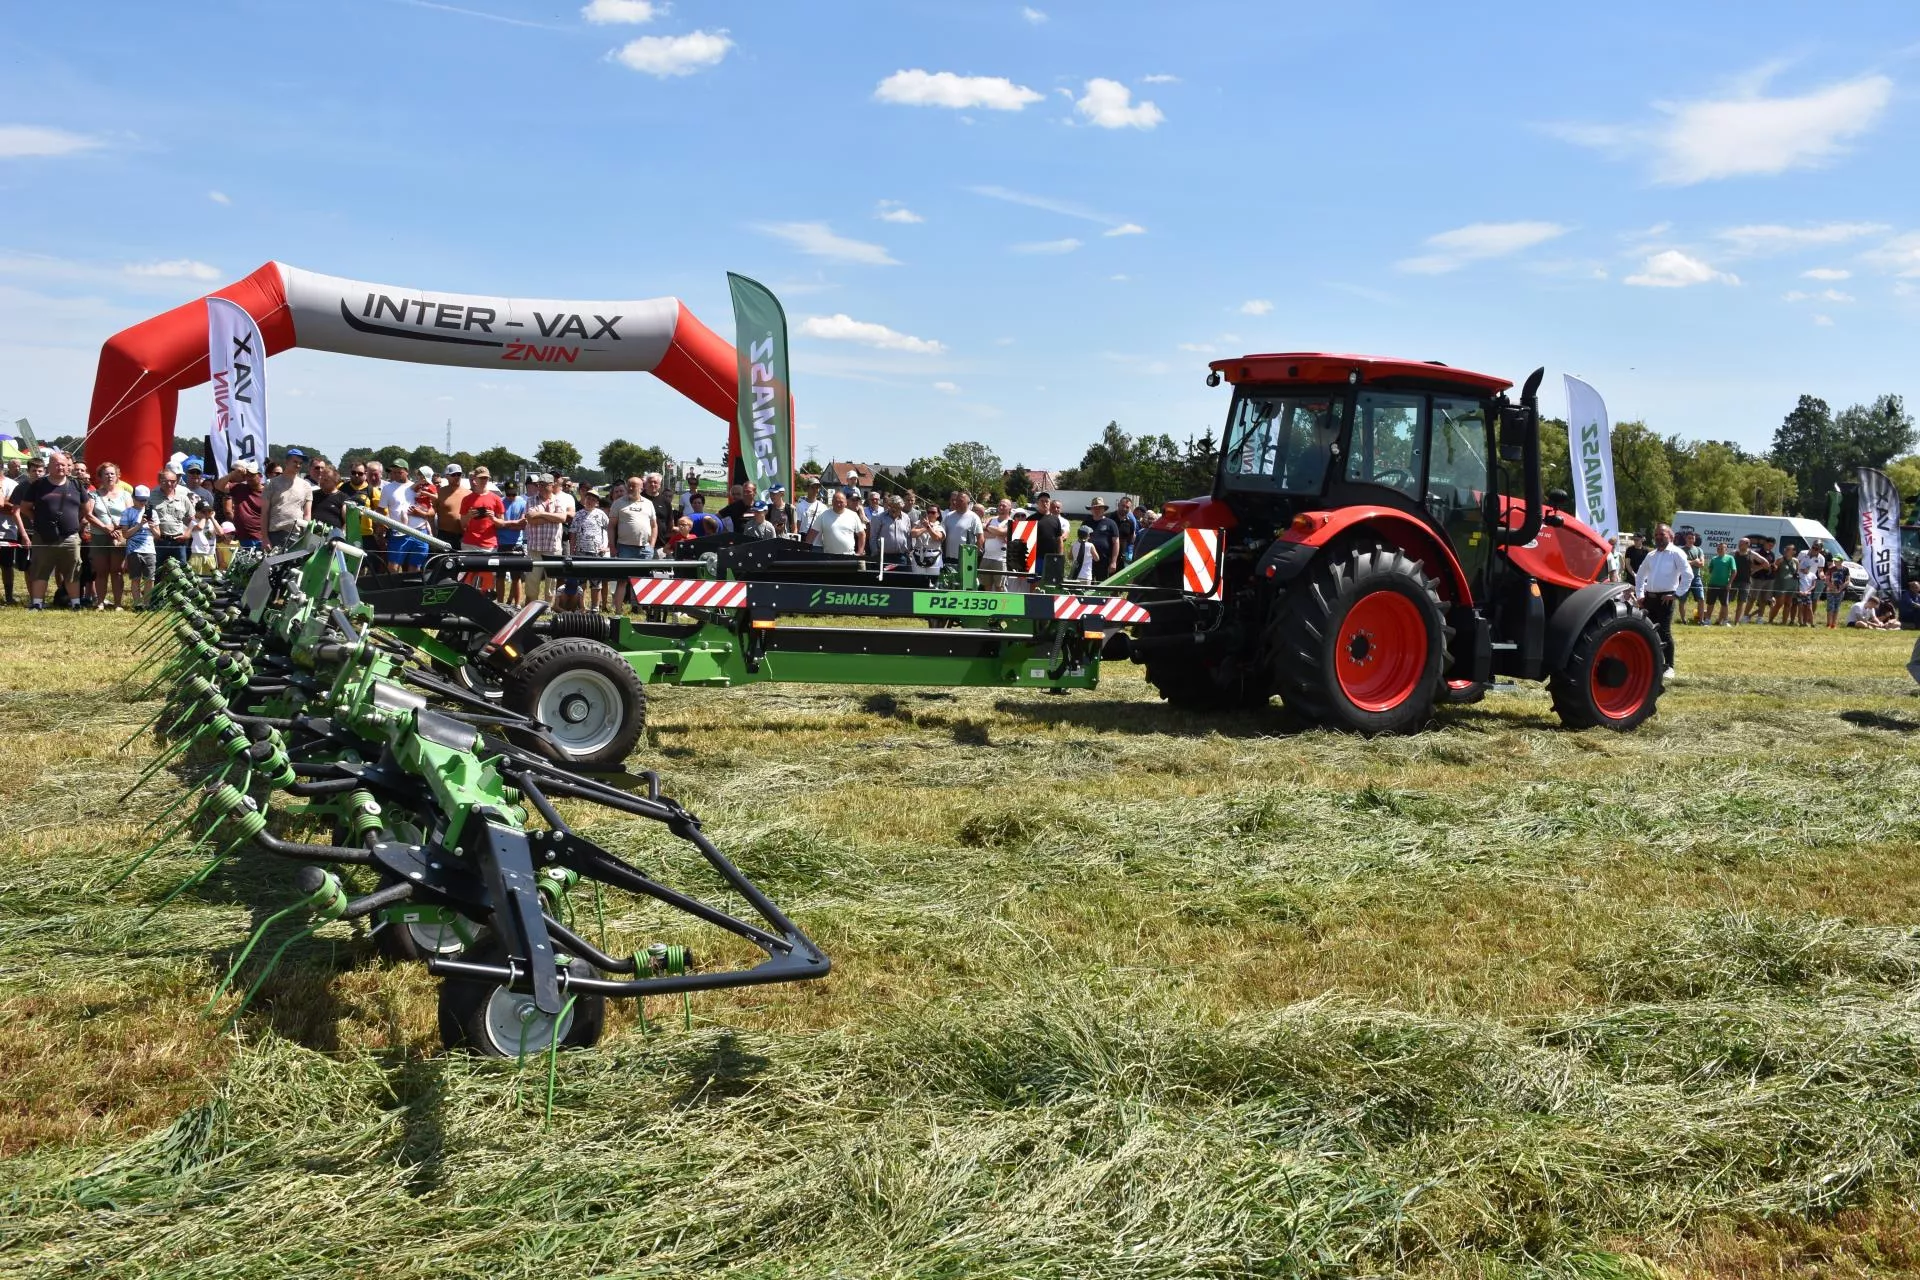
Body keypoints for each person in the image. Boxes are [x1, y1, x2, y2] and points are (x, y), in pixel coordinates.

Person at [13, 449, 90, 610]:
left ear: (68, 467)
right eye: (56, 464)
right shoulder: (39, 485)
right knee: (40, 570)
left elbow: (86, 508)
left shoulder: (76, 484)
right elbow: (25, 507)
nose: (60, 467)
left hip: (70, 537)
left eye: (63, 464)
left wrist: (74, 521)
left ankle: (75, 603)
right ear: (49, 467)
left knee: (73, 571)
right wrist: (37, 519)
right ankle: (37, 603)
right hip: (43, 536)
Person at [1633, 522, 1692, 678]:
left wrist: (1677, 594)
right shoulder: (1651, 555)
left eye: (1662, 534)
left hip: (1666, 599)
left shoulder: (1677, 553)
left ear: (1670, 537)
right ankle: (1652, 663)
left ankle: (1670, 667)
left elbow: (1688, 575)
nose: (1659, 537)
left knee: (1664, 632)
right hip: (1649, 599)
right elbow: (1640, 576)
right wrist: (1639, 595)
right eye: (1657, 535)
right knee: (1648, 632)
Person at [84, 461, 132, 609]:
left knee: (117, 571)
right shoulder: (93, 495)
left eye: (112, 473)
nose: (110, 476)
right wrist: (105, 528)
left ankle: (118, 604)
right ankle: (100, 602)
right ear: (100, 477)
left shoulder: (125, 495)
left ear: (117, 476)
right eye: (106, 474)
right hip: (99, 536)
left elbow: (131, 515)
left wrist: (117, 527)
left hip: (119, 537)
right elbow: (88, 515)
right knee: (101, 571)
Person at [521, 475, 566, 601]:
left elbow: (562, 518)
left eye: (545, 485)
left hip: (552, 547)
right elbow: (530, 519)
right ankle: (531, 606)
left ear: (552, 485)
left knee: (551, 581)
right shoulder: (530, 500)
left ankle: (547, 607)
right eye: (539, 485)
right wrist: (552, 518)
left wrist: (541, 514)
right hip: (534, 547)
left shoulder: (558, 500)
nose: (541, 487)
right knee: (531, 580)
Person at [264, 450, 314, 550]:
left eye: (300, 463)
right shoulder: (271, 484)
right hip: (275, 534)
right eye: (295, 462)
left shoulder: (306, 486)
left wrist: (306, 536)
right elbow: (265, 512)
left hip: (297, 535)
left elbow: (307, 514)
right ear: (287, 462)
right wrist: (265, 538)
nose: (298, 465)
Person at [571, 487, 611, 610]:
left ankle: (595, 607)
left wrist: (607, 546)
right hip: (581, 552)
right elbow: (573, 532)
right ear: (584, 499)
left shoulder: (601, 514)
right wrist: (572, 548)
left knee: (596, 583)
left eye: (593, 499)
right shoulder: (578, 515)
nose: (590, 501)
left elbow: (609, 530)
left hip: (596, 553)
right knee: (581, 582)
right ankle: (581, 607)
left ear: (597, 502)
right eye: (588, 498)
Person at [149, 468, 196, 565]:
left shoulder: (183, 498)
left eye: (172, 481)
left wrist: (188, 533)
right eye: (165, 481)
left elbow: (193, 518)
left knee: (181, 573)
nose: (169, 484)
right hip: (159, 541)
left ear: (177, 481)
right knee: (157, 573)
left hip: (178, 542)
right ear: (159, 481)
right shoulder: (151, 497)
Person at [214, 459, 265, 551]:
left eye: (252, 475)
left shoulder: (267, 492)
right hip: (241, 538)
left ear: (260, 475)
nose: (248, 478)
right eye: (247, 475)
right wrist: (233, 474)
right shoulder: (239, 487)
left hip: (261, 538)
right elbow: (218, 485)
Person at [120, 485, 157, 608]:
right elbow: (125, 535)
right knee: (135, 578)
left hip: (150, 550)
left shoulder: (153, 512)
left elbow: (158, 535)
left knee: (150, 579)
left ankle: (146, 604)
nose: (143, 502)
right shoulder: (127, 512)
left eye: (145, 500)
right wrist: (139, 525)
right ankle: (137, 603)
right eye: (140, 499)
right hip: (133, 550)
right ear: (133, 498)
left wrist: (152, 526)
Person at [495, 478, 528, 604]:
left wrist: (505, 524)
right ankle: (500, 602)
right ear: (505, 492)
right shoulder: (500, 502)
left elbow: (522, 525)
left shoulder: (522, 503)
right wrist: (513, 524)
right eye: (509, 493)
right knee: (500, 576)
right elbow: (498, 524)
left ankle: (517, 604)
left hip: (516, 544)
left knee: (516, 577)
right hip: (501, 544)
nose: (511, 496)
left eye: (513, 493)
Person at [808, 489, 866, 556]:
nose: (838, 504)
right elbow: (812, 534)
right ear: (832, 502)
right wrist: (806, 551)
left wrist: (860, 552)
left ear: (846, 502)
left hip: (849, 556)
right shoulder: (823, 516)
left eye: (841, 502)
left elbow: (862, 534)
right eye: (836, 502)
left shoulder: (853, 515)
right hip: (829, 557)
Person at [941, 489, 983, 566]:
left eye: (960, 501)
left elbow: (980, 538)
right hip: (948, 557)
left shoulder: (974, 517)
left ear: (968, 503)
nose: (956, 503)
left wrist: (972, 555)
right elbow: (941, 534)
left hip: (966, 558)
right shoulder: (948, 516)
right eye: (956, 500)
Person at [1083, 497, 1121, 579]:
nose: (1097, 510)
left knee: (1102, 587)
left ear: (1104, 509)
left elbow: (1116, 543)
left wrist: (1114, 562)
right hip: (1088, 562)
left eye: (1099, 508)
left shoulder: (1111, 523)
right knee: (1087, 587)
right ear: (1091, 510)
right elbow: (1081, 540)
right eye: (1094, 508)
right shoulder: (1086, 522)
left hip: (1105, 562)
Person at [1031, 492, 1064, 587]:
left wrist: (1060, 557)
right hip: (1036, 558)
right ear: (1037, 503)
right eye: (1042, 501)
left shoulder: (1055, 519)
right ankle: (1032, 601)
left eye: (1047, 501)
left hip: (1051, 558)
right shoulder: (1031, 519)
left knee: (1050, 585)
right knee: (1034, 585)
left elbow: (1059, 540)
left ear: (1049, 503)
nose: (1045, 503)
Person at [1701, 540, 1737, 626]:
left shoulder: (1730, 558)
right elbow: (1710, 570)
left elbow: (1734, 571)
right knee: (1710, 603)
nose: (1720, 550)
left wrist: (1729, 583)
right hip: (1712, 584)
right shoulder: (1714, 559)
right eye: (1718, 548)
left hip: (1724, 586)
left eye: (1722, 548)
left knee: (1725, 604)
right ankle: (1708, 620)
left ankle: (1725, 621)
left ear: (1726, 549)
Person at [869, 494, 913, 564]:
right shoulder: (879, 517)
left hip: (901, 557)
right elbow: (873, 537)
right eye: (891, 506)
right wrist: (875, 553)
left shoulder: (906, 518)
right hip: (883, 556)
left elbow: (908, 535)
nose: (893, 509)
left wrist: (907, 550)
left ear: (901, 508)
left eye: (896, 507)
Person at [1677, 532, 1706, 624]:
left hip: (1696, 578)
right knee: (1682, 600)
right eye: (1689, 538)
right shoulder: (1680, 551)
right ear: (1686, 539)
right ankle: (1683, 620)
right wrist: (1694, 561)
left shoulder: (1699, 550)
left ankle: (1701, 621)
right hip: (1684, 578)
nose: (1691, 540)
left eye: (1692, 538)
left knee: (1701, 599)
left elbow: (1702, 564)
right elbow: (1681, 564)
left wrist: (1690, 562)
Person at [187, 501, 219, 577]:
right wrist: (204, 517)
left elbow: (220, 532)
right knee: (195, 576)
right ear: (197, 512)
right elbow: (200, 527)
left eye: (209, 511)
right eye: (203, 511)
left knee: (211, 576)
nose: (207, 513)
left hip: (210, 554)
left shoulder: (212, 522)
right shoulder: (194, 522)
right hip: (197, 554)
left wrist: (212, 518)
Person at [1825, 559, 1851, 629]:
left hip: (1840, 591)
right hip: (1830, 591)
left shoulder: (1846, 569)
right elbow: (1827, 580)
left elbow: (1848, 580)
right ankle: (1828, 624)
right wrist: (1833, 588)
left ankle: (1833, 624)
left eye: (1837, 561)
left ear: (1841, 561)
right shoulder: (1830, 569)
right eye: (1835, 561)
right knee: (1830, 607)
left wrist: (1840, 588)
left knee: (1836, 608)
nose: (1835, 562)